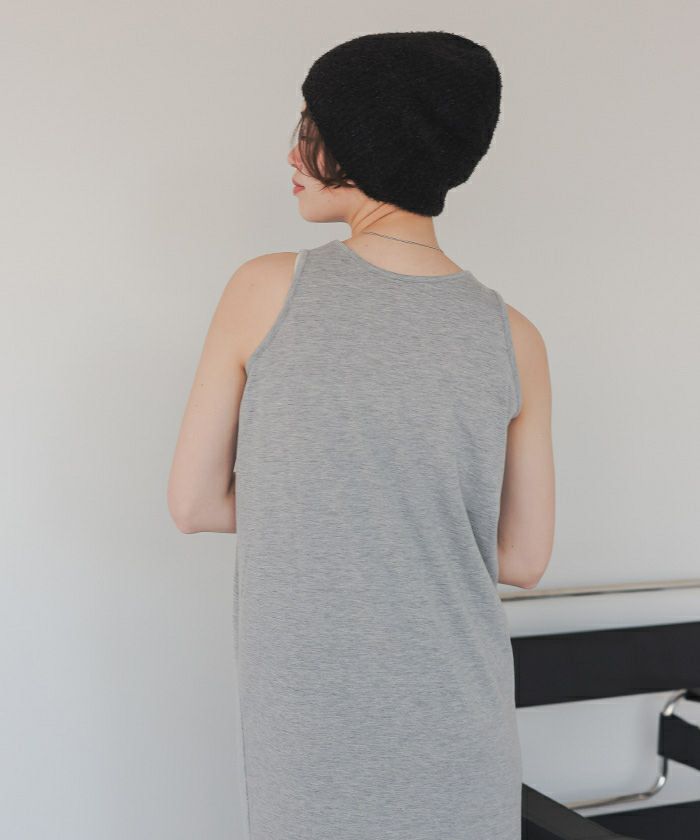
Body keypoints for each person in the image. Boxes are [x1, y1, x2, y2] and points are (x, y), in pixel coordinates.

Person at [168, 30, 555, 840]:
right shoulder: (514, 336)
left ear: (364, 142)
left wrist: (324, 502)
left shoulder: (268, 290)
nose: (293, 153)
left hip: (314, 740)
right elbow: (523, 558)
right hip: (468, 736)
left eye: (310, 129)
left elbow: (195, 502)